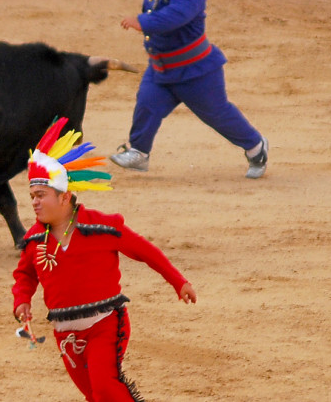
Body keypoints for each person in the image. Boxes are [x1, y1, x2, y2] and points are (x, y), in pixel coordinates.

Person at [12, 117, 197, 402]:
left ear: (65, 197)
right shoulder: (35, 238)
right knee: (94, 395)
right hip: (65, 330)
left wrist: (178, 281)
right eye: (32, 196)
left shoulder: (102, 227)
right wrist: (22, 299)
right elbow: (25, 274)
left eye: (41, 195)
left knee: (105, 387)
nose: (34, 202)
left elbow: (145, 251)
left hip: (105, 323)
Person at [112, 0, 269, 178]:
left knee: (218, 115)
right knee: (146, 104)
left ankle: (255, 147)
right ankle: (139, 153)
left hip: (195, 72)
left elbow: (171, 18)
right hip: (161, 66)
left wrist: (143, 22)